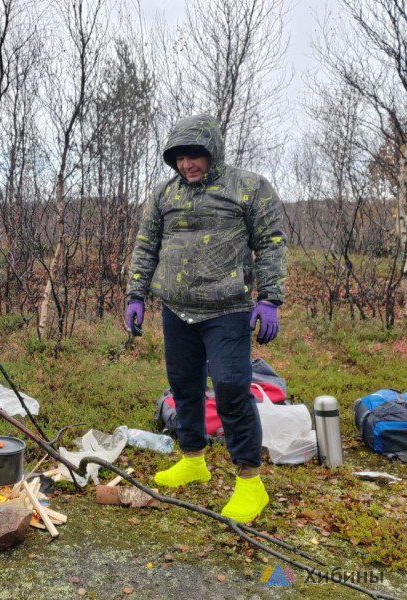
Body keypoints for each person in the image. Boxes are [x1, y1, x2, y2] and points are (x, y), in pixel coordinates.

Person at [125, 114, 287, 523]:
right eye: (179, 157)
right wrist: (136, 295)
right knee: (184, 386)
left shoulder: (248, 187)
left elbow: (270, 243)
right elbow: (147, 246)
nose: (187, 164)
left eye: (194, 154)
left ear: (212, 151)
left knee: (232, 388)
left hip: (227, 309)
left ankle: (251, 482)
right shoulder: (163, 194)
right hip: (176, 309)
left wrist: (269, 298)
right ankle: (193, 459)